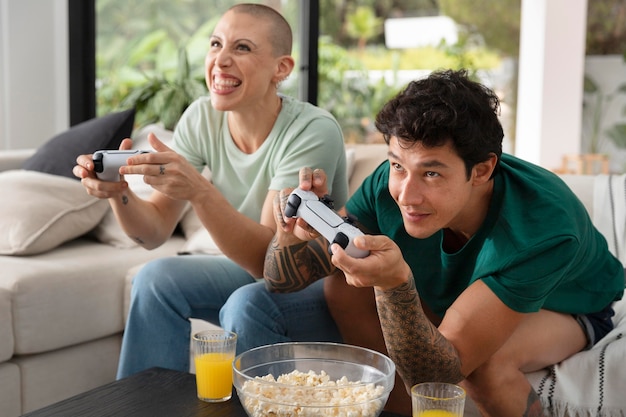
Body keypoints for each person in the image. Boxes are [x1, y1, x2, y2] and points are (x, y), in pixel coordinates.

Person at [220, 69, 625, 416]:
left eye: (432, 174)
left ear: (482, 170)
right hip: (453, 295)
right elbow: (279, 280)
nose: (406, 195)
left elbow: (440, 376)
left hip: (566, 305)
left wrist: (395, 285)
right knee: (341, 286)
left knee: (484, 367)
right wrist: (289, 234)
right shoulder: (388, 185)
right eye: (399, 165)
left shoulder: (542, 229)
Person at [73, 3, 348, 379]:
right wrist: (120, 193)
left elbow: (269, 264)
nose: (220, 60)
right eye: (216, 44)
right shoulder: (202, 117)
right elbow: (152, 233)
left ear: (281, 68)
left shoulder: (312, 131)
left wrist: (201, 192)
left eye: (242, 48)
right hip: (255, 275)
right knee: (154, 280)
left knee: (245, 303)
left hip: (318, 286)